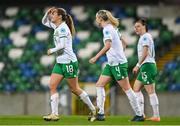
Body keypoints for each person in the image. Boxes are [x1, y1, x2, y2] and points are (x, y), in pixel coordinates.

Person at [42, 7, 96, 122]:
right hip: (60, 63)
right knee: (52, 86)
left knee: (74, 89)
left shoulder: (62, 29)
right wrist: (48, 12)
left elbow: (62, 45)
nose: (51, 16)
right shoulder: (56, 26)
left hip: (69, 62)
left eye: (54, 14)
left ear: (60, 16)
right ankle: (54, 114)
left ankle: (93, 109)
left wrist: (51, 50)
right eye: (51, 14)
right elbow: (44, 21)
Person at [89, 10, 144, 121]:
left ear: (100, 18)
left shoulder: (107, 29)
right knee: (99, 85)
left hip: (118, 64)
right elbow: (125, 43)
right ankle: (100, 113)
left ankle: (139, 114)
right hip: (111, 63)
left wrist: (96, 57)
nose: (96, 20)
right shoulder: (113, 28)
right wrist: (120, 51)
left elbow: (108, 45)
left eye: (96, 18)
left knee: (127, 89)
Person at [133, 18, 160, 122]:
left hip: (147, 65)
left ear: (144, 26)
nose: (136, 28)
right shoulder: (144, 37)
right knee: (136, 88)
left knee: (150, 91)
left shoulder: (145, 37)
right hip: (146, 66)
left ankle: (156, 116)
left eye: (138, 26)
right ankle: (141, 114)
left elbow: (145, 52)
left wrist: (137, 65)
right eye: (135, 27)